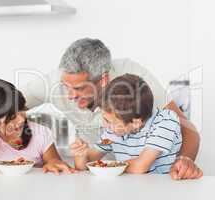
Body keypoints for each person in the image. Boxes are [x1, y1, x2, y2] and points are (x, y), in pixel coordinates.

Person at [21, 38, 202, 179]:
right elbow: (7, 105)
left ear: (104, 80)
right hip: (102, 175)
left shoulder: (134, 82)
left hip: (144, 175)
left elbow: (188, 129)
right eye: (66, 86)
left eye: (79, 88)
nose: (70, 95)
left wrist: (184, 159)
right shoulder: (55, 81)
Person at [71, 74, 200, 176]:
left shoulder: (165, 121)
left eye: (110, 122)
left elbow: (140, 166)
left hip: (162, 190)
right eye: (104, 119)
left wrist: (108, 167)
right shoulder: (114, 131)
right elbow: (86, 164)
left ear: (136, 122)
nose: (105, 126)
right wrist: (81, 155)